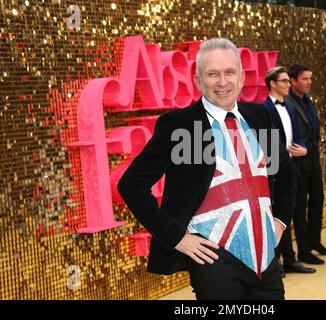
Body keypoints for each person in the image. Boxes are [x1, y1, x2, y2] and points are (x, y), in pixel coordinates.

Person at [118, 38, 297, 299]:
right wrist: (177, 237)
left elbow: (285, 171)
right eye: (212, 74)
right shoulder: (181, 125)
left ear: (242, 77)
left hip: (267, 258)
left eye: (229, 72)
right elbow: (131, 185)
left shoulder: (259, 116)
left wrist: (280, 220)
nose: (222, 82)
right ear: (198, 81)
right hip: (214, 260)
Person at [262, 66, 316, 276]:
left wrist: (302, 148)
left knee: (294, 212)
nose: (287, 84)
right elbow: (264, 141)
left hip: (295, 168)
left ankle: (292, 259)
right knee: (275, 216)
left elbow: (297, 135)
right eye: (283, 81)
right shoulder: (264, 109)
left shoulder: (291, 108)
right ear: (272, 84)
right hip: (274, 172)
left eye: (287, 80)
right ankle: (274, 262)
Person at [285, 64, 326, 265]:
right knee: (300, 207)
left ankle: (315, 242)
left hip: (312, 158)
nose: (309, 82)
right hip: (299, 161)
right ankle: (304, 251)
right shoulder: (288, 102)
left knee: (318, 199)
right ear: (293, 81)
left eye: (310, 78)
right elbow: (291, 134)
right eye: (305, 79)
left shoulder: (307, 100)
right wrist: (304, 149)